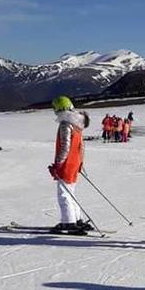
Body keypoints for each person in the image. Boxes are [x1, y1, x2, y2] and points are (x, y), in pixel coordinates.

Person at [48, 95, 91, 235]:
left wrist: (57, 164)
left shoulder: (66, 125)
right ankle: (77, 219)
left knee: (64, 194)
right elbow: (81, 147)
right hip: (74, 163)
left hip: (66, 165)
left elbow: (65, 147)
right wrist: (80, 163)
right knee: (71, 193)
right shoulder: (77, 125)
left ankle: (68, 222)